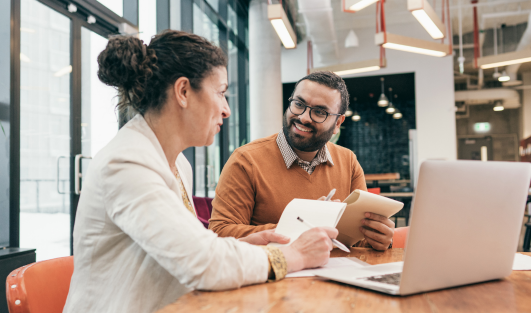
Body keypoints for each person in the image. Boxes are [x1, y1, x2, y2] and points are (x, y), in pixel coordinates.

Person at [63, 31, 339, 313]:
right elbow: (202, 264)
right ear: (183, 92)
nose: (227, 109)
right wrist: (292, 255)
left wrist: (248, 247)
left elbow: (183, 249)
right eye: (220, 93)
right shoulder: (125, 163)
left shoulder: (178, 163)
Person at [209, 71, 395, 251]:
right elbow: (220, 233)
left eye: (320, 112)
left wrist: (378, 238)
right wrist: (303, 225)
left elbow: (356, 240)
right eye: (299, 104)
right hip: (277, 278)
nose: (304, 117)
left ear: (338, 123)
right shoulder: (245, 160)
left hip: (338, 276)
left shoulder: (348, 161)